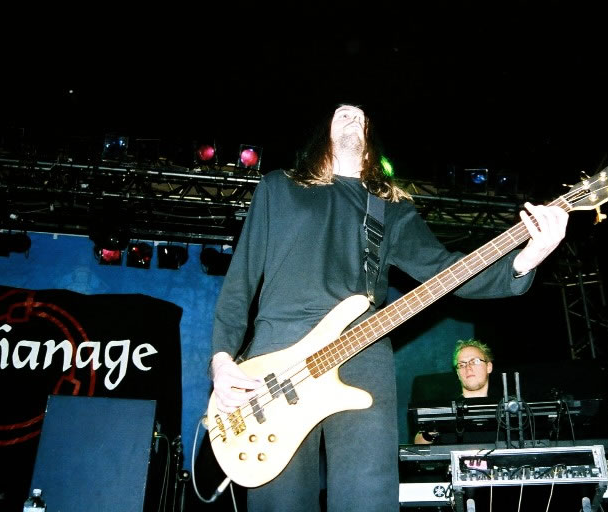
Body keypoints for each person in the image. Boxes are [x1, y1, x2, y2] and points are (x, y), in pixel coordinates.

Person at [209, 103, 568, 512]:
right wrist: (222, 360)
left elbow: (445, 271)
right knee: (281, 501)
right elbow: (240, 279)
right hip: (276, 354)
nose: (352, 115)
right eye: (341, 113)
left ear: (368, 143)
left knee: (367, 496)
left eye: (361, 116)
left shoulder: (389, 207)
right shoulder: (279, 186)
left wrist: (525, 260)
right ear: (323, 133)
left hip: (361, 349)